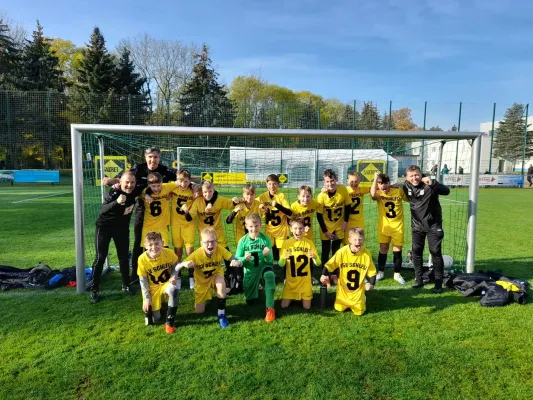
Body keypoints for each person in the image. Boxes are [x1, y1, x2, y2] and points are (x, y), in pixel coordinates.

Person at [103, 147, 176, 283]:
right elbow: (125, 178)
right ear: (145, 157)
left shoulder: (165, 170)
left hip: (160, 217)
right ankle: (136, 273)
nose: (152, 159)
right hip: (142, 211)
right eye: (150, 156)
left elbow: (182, 178)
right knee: (139, 244)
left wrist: (195, 185)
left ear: (159, 158)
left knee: (161, 243)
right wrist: (111, 181)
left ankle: (162, 270)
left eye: (155, 157)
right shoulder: (139, 169)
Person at [90, 172, 141, 303]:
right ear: (121, 182)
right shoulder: (114, 192)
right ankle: (94, 289)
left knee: (123, 257)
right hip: (104, 227)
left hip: (122, 229)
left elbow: (149, 185)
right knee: (100, 257)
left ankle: (126, 285)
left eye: (132, 182)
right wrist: (116, 203)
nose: (129, 185)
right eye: (127, 182)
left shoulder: (136, 190)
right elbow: (102, 210)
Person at [176, 228, 242, 328]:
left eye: (213, 241)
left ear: (217, 241)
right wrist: (184, 264)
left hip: (216, 275)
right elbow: (177, 267)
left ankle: (221, 314)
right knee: (199, 311)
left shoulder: (219, 249)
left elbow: (233, 258)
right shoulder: (196, 254)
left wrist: (235, 261)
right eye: (207, 242)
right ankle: (216, 295)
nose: (210, 245)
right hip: (201, 282)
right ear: (201, 243)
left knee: (220, 284)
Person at [403, 165, 450, 293]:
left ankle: (439, 284)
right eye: (411, 176)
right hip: (416, 225)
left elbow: (447, 191)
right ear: (407, 178)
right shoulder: (405, 186)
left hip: (433, 225)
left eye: (416, 175)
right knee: (416, 252)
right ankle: (418, 280)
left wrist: (433, 183)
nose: (414, 178)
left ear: (421, 174)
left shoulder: (429, 184)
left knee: (435, 252)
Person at [320, 227, 377, 316]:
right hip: (343, 294)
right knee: (338, 309)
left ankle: (363, 297)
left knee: (359, 313)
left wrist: (371, 284)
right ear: (349, 240)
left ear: (363, 240)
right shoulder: (342, 252)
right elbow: (329, 265)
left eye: (360, 239)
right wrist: (323, 275)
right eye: (355, 239)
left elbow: (372, 272)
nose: (358, 242)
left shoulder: (366, 254)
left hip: (357, 295)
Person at [234, 213, 276, 322]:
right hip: (250, 271)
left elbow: (270, 261)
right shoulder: (242, 241)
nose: (254, 229)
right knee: (250, 301)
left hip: (263, 267)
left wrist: (268, 255)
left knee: (269, 275)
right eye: (251, 226)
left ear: (260, 225)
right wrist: (244, 259)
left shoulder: (266, 239)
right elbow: (237, 259)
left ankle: (270, 309)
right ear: (246, 226)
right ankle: (257, 287)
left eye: (256, 226)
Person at [137, 231, 180, 334]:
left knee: (173, 290)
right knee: (156, 318)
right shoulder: (142, 259)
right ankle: (158, 307)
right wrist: (146, 299)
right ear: (145, 246)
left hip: (166, 283)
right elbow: (143, 281)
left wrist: (174, 276)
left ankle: (170, 322)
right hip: (152, 287)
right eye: (150, 244)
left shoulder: (169, 253)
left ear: (162, 243)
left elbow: (176, 267)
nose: (154, 247)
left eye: (157, 243)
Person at [370, 172, 408, 285]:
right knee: (383, 248)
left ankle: (397, 273)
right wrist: (375, 178)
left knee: (397, 250)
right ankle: (380, 272)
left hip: (397, 227)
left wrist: (399, 185)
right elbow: (372, 194)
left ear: (389, 183)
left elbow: (409, 198)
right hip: (384, 227)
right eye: (380, 184)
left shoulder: (398, 191)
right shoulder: (378, 193)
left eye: (385, 183)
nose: (383, 186)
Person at [279, 218, 320, 310]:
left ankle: (300, 296)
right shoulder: (286, 243)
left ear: (304, 229)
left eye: (301, 228)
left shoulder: (309, 243)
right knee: (283, 306)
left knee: (307, 307)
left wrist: (315, 257)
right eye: (296, 228)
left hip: (305, 282)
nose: (298, 231)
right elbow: (281, 264)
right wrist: (283, 258)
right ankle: (293, 296)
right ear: (291, 229)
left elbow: (318, 263)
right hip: (291, 282)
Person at [316, 169, 350, 270]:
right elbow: (319, 215)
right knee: (325, 252)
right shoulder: (321, 196)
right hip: (326, 227)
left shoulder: (343, 189)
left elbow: (348, 206)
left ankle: (335, 273)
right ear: (324, 182)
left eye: (332, 181)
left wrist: (345, 222)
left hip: (339, 226)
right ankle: (325, 275)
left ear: (336, 180)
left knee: (336, 251)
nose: (330, 183)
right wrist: (325, 231)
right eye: (327, 181)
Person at [171, 169, 197, 289]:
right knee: (178, 252)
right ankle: (179, 275)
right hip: (176, 224)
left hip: (188, 224)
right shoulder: (173, 188)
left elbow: (207, 188)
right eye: (180, 181)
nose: (183, 184)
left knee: (190, 252)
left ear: (189, 181)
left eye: (186, 181)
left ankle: (192, 276)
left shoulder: (192, 190)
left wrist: (196, 187)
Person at [258, 174, 290, 264]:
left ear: (278, 184)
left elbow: (289, 212)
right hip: (269, 231)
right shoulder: (262, 197)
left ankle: (285, 275)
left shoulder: (281, 196)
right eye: (270, 184)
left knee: (283, 254)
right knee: (268, 253)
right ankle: (270, 272)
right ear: (266, 184)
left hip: (281, 230)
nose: (272, 186)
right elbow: (251, 201)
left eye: (274, 184)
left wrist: (277, 205)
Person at [141, 172, 178, 248]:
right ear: (148, 185)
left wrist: (194, 186)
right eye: (153, 186)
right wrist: (146, 195)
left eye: (158, 185)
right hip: (148, 225)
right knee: (149, 250)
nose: (156, 188)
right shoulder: (145, 192)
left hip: (162, 226)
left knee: (164, 250)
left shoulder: (166, 187)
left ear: (162, 183)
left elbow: (180, 182)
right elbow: (141, 193)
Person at [344, 171, 370, 244]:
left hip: (359, 222)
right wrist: (324, 189)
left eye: (356, 181)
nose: (354, 183)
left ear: (359, 181)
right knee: (348, 244)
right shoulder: (344, 190)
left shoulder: (362, 189)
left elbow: (375, 187)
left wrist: (391, 186)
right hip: (347, 222)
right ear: (347, 181)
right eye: (351, 181)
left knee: (359, 243)